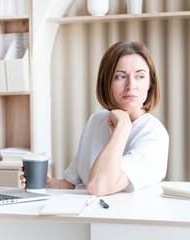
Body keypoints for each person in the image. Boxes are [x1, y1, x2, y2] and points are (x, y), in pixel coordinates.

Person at [20, 41, 169, 196]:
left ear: (150, 83)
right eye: (120, 76)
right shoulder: (96, 121)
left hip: (130, 218)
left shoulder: (154, 135)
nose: (130, 85)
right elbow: (74, 184)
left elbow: (98, 186)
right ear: (107, 82)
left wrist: (123, 127)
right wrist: (45, 183)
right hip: (91, 216)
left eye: (140, 76)